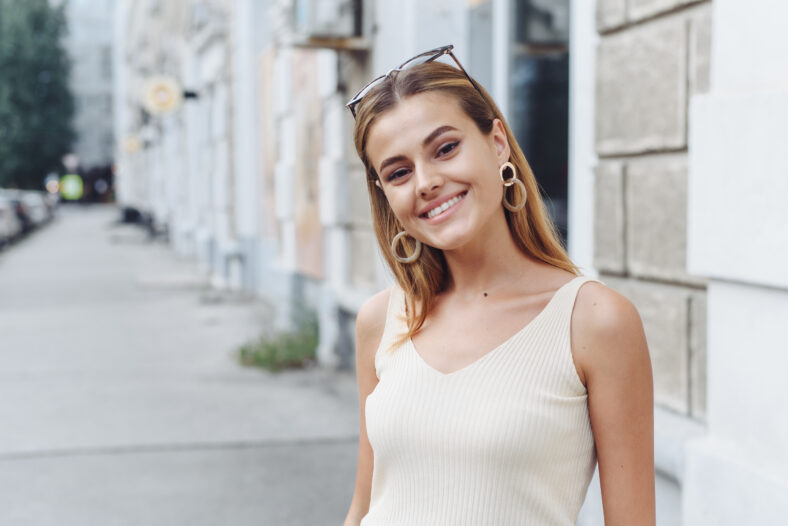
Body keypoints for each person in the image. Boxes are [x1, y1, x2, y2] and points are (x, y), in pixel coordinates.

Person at [342, 45, 655, 526]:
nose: (425, 182)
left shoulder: (594, 322)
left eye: (445, 148)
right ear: (386, 195)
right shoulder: (381, 321)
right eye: (399, 172)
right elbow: (364, 507)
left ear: (498, 143)